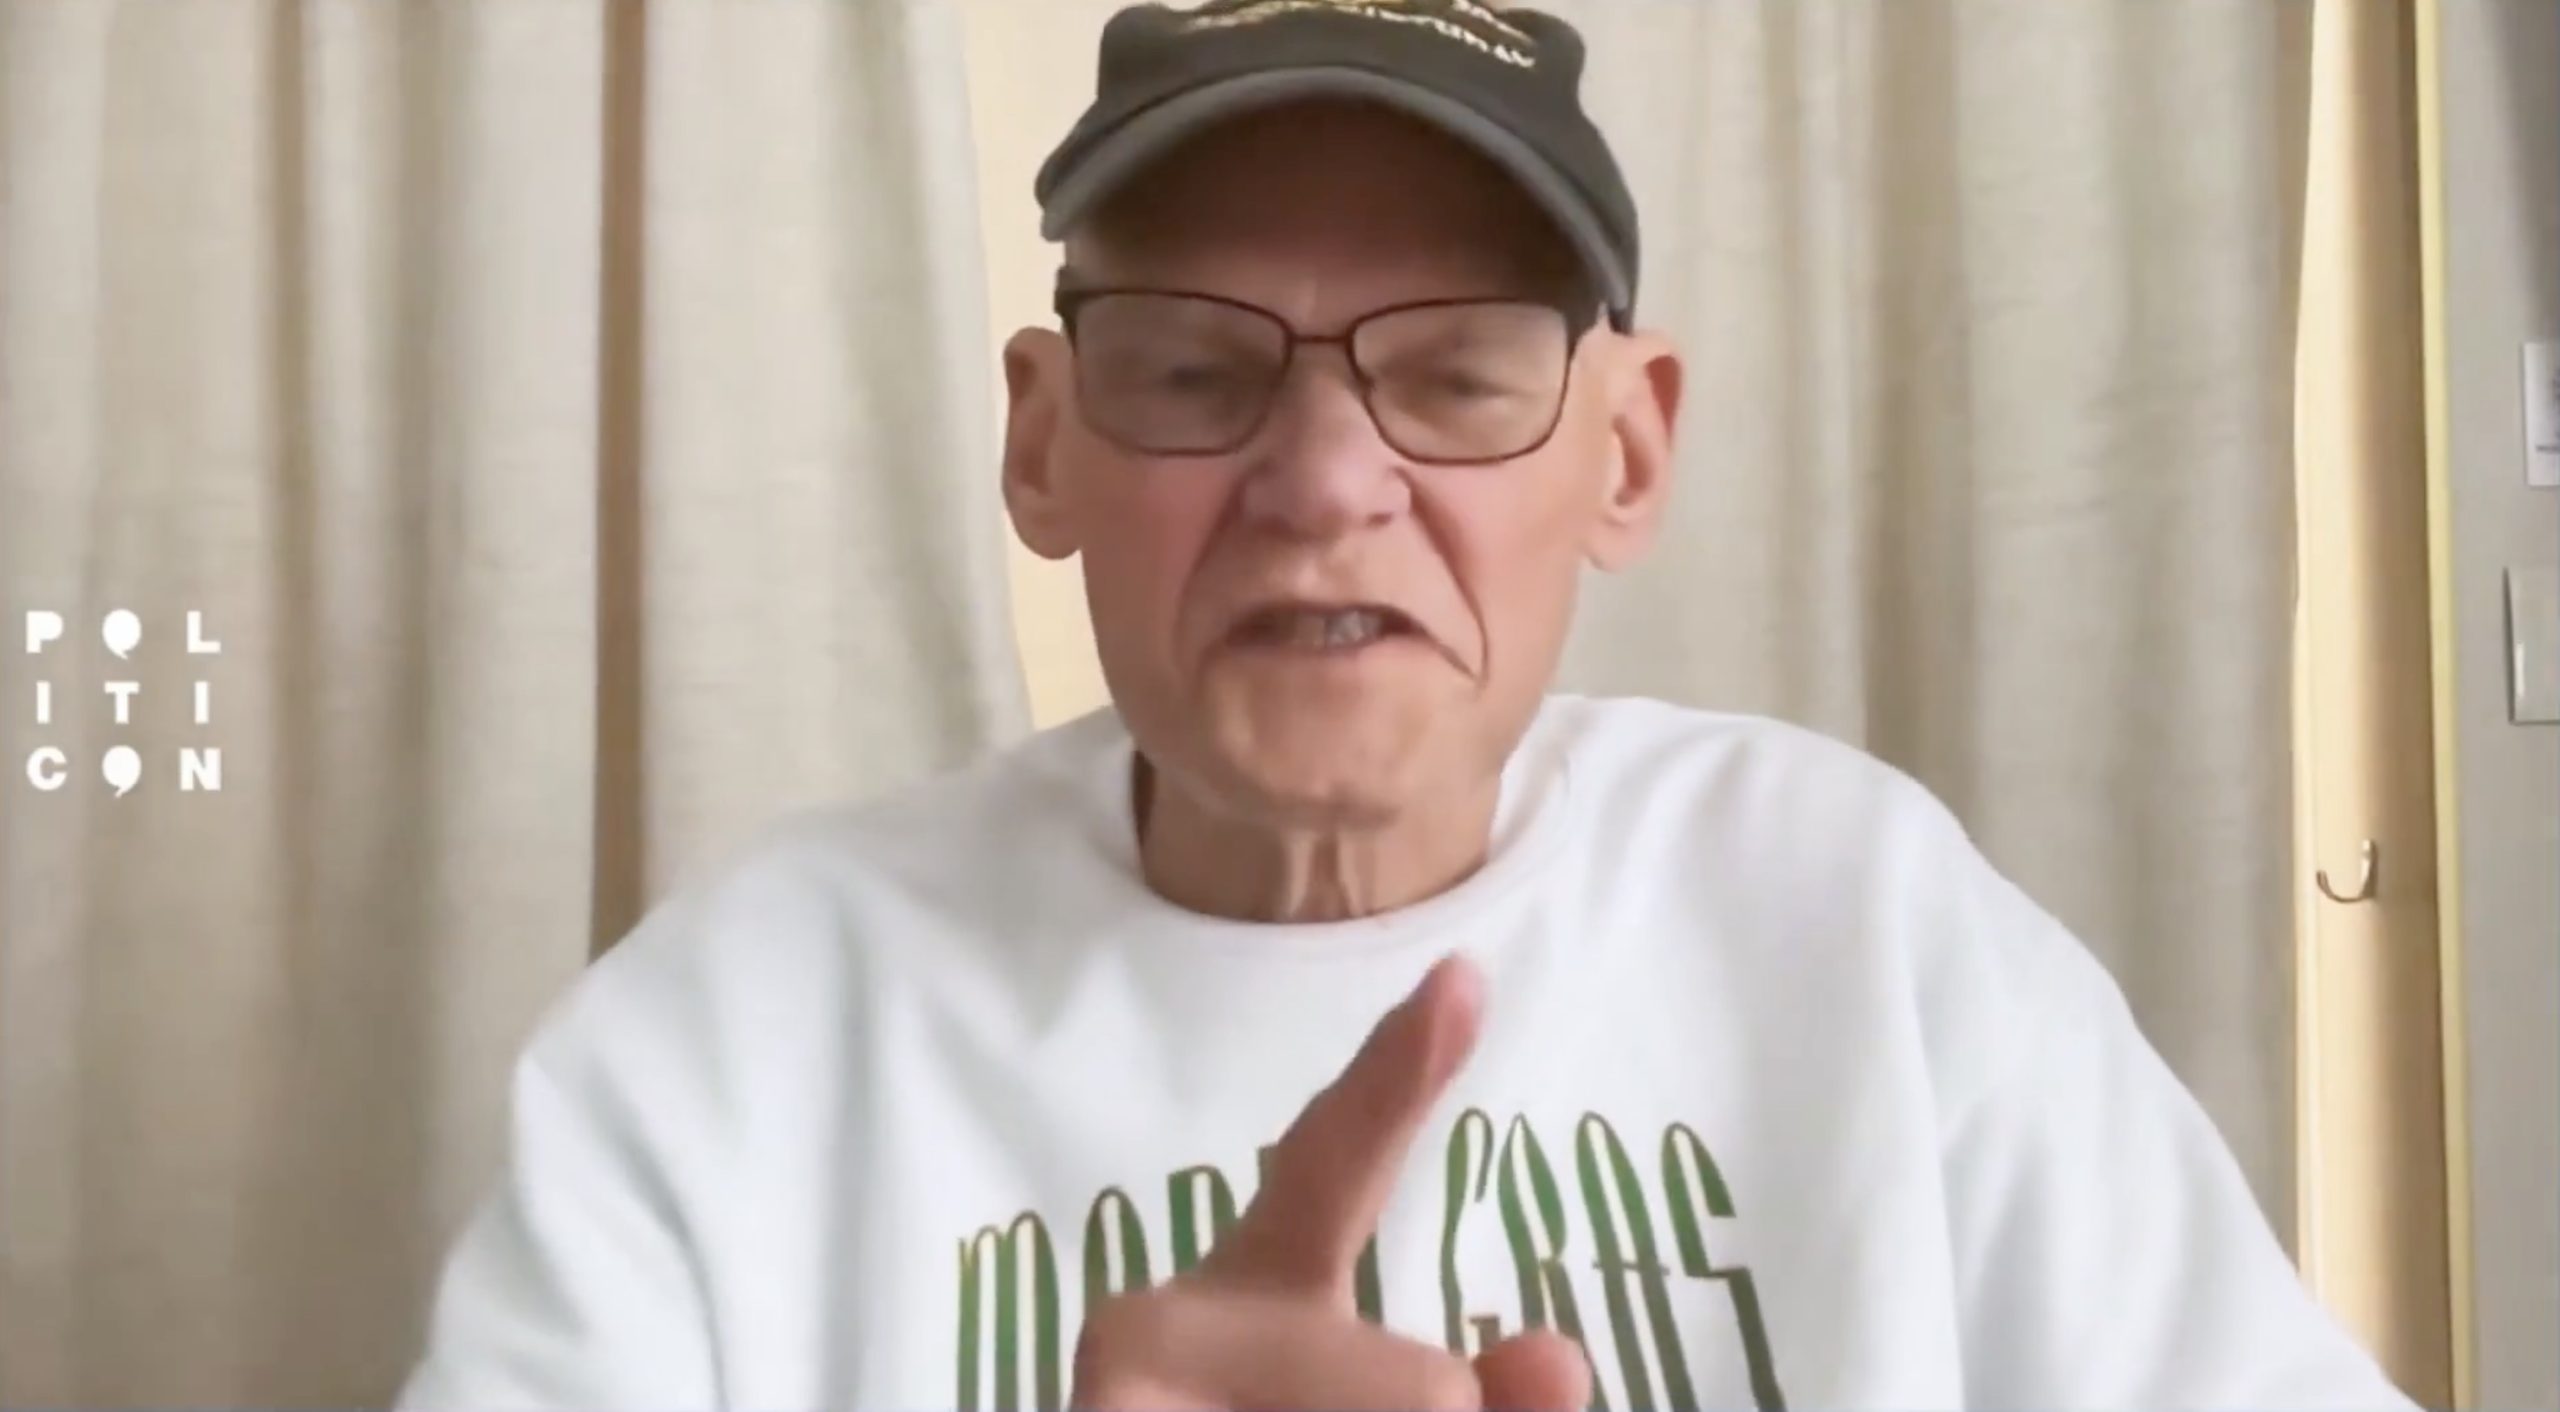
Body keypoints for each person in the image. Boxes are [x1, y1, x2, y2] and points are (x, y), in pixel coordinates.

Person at [397, 2, 2420, 1408]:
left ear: (1624, 454)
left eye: (1450, 373)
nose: (1320, 479)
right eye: (1195, 367)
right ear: (1039, 444)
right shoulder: (733, 1036)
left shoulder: (1862, 921)